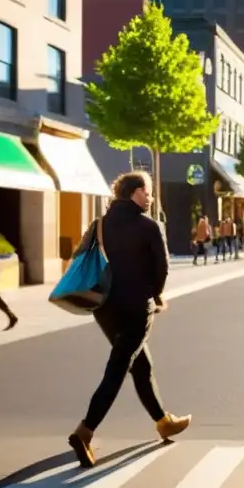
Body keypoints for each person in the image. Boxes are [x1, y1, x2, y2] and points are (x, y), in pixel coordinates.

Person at [67, 171, 190, 468]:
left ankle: (163, 422)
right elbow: (162, 269)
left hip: (104, 307)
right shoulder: (149, 226)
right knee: (119, 367)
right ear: (135, 192)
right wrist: (155, 296)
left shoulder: (99, 224)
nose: (150, 197)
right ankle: (85, 430)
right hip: (137, 306)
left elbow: (79, 256)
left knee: (140, 364)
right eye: (147, 192)